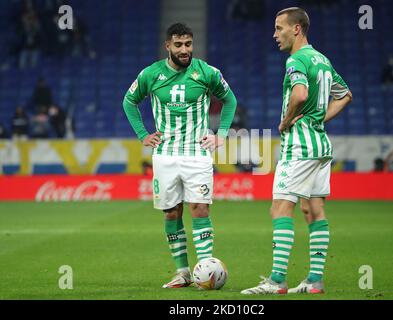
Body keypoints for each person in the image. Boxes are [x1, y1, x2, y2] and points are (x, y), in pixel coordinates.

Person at [241, 7, 352, 295]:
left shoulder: (297, 60)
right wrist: (320, 119)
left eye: (279, 28)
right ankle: (315, 280)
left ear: (296, 29)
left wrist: (287, 120)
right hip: (321, 145)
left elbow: (300, 94)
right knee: (313, 209)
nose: (275, 34)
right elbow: (345, 95)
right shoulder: (322, 60)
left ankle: (277, 280)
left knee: (280, 208)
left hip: (300, 146)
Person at [122, 23, 237, 289]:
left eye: (188, 44)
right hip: (164, 156)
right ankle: (183, 272)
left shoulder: (207, 72)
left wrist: (222, 135)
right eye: (178, 45)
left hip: (197, 154)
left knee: (200, 208)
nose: (184, 50)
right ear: (168, 46)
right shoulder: (150, 74)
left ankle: (206, 270)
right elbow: (128, 101)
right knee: (172, 212)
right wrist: (142, 134)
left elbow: (230, 100)